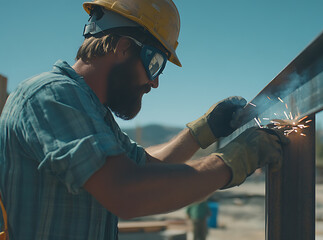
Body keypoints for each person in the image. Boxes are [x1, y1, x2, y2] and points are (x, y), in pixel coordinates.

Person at [0, 0, 289, 239]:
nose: (155, 83)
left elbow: (148, 167)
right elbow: (126, 191)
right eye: (154, 64)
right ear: (123, 47)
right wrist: (232, 161)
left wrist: (204, 130)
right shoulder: (51, 96)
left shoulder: (92, 112)